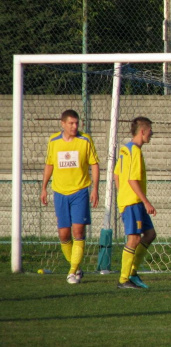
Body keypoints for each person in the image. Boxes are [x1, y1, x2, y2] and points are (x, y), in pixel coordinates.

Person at [41, 109, 100, 284]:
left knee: (78, 231)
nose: (75, 126)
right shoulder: (53, 141)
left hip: (80, 192)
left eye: (77, 123)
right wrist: (44, 187)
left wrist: (95, 188)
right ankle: (77, 267)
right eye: (71, 123)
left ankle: (72, 271)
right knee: (64, 235)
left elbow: (95, 164)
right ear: (63, 124)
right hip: (59, 192)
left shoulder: (85, 140)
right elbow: (49, 164)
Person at [114, 117, 157, 289]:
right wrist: (146, 202)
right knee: (133, 239)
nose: (152, 134)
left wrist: (121, 194)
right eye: (150, 130)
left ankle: (132, 271)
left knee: (150, 234)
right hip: (134, 202)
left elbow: (117, 175)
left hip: (131, 201)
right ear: (142, 131)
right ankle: (124, 279)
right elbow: (132, 180)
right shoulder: (135, 152)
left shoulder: (126, 149)